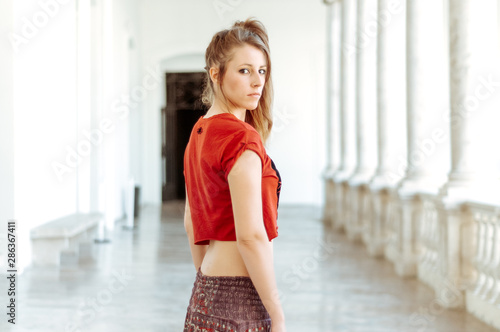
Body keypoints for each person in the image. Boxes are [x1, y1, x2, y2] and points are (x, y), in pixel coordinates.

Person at [182, 18, 285, 332]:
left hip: (204, 293)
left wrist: (210, 284)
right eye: (244, 70)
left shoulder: (199, 133)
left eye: (262, 71)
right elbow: (251, 236)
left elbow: (190, 221)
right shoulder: (241, 138)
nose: (257, 82)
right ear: (216, 74)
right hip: (242, 302)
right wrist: (277, 315)